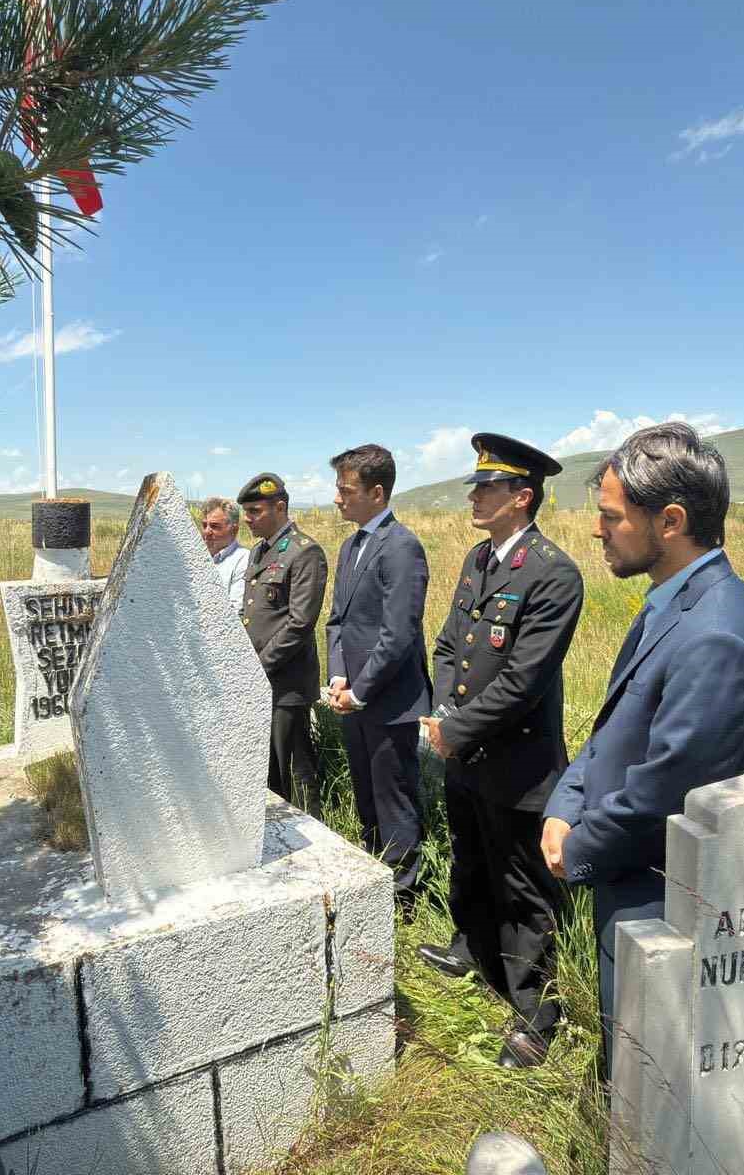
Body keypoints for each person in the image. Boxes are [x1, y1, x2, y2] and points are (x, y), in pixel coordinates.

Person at [541, 422, 744, 1080]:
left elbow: (664, 792)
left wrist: (580, 848)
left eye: (611, 516)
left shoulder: (718, 636)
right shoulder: (672, 604)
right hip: (627, 876)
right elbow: (611, 730)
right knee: (626, 1062)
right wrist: (565, 805)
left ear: (670, 520)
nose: (597, 531)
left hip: (663, 903)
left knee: (650, 1081)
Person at [418, 433, 584, 1069]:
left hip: (516, 763)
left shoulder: (552, 573)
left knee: (524, 886)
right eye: (475, 486)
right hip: (464, 752)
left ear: (523, 496)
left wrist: (455, 730)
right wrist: (442, 714)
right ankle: (473, 951)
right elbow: (448, 647)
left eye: (487, 487)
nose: (474, 496)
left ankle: (536, 1014)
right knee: (473, 861)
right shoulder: (479, 559)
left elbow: (523, 680)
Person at [323, 444, 430, 904]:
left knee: (393, 803)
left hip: (389, 703)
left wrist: (361, 691)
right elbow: (338, 621)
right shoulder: (350, 546)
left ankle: (403, 898)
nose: (337, 498)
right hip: (355, 699)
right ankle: (373, 884)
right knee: (366, 796)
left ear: (377, 492)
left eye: (346, 490)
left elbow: (398, 634)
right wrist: (338, 677)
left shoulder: (401, 546)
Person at [237, 472, 329, 815]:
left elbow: (300, 623)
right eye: (246, 511)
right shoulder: (259, 552)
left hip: (287, 684)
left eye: (255, 511)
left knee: (295, 770)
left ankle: (315, 842)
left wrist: (258, 667)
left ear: (280, 507)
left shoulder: (305, 553)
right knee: (269, 773)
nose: (247, 518)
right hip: (261, 682)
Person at [200, 495, 249, 608]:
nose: (207, 532)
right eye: (204, 525)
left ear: (234, 530)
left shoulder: (244, 560)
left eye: (214, 526)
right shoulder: (197, 557)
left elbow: (235, 611)